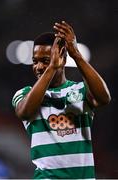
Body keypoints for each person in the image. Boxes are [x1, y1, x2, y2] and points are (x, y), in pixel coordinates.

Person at [12, 21, 111, 179]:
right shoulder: (25, 93)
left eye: (45, 61)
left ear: (63, 60)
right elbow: (25, 112)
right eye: (35, 61)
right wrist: (51, 67)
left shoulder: (80, 90)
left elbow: (104, 98)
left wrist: (76, 55)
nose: (38, 67)